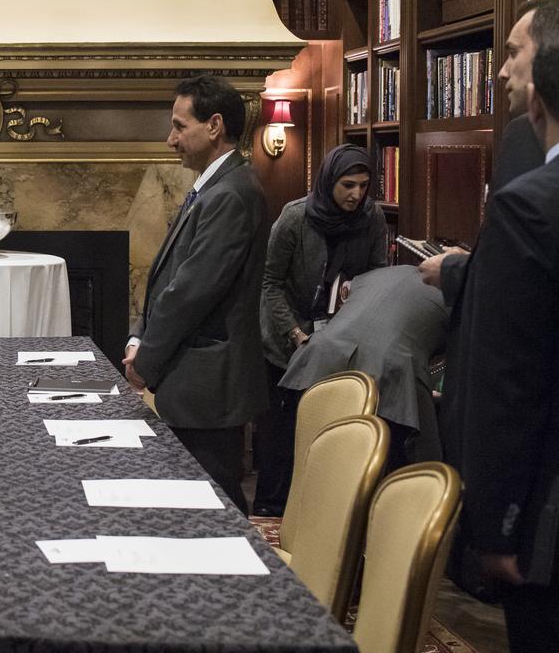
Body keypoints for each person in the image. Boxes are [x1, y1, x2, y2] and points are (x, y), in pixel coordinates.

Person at [455, 41, 559, 653]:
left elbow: (506, 384)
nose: (503, 69)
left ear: (540, 97)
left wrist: (490, 526)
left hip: (546, 517)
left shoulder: (528, 207)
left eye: (516, 52)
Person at [123, 75, 267, 513]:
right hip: (195, 385)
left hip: (209, 389)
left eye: (180, 126)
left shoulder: (231, 193)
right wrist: (138, 336)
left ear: (215, 125)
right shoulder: (215, 186)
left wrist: (145, 362)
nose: (171, 139)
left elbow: (190, 293)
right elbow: (168, 280)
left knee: (217, 508)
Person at [254, 144, 388, 514]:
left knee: (328, 437)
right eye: (347, 185)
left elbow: (377, 277)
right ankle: (271, 512)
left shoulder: (371, 218)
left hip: (340, 342)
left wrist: (354, 292)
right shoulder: (295, 217)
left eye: (363, 186)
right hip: (287, 343)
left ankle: (319, 522)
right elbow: (269, 284)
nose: (356, 194)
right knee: (280, 440)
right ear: (329, 180)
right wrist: (296, 335)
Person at [419, 0, 549, 302]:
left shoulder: (524, 133)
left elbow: (517, 277)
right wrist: (473, 259)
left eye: (513, 53)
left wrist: (453, 270)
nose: (501, 72)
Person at [278, 265, 448, 465]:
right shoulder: (461, 296)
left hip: (320, 357)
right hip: (391, 376)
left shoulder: (372, 275)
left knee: (305, 462)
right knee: (420, 466)